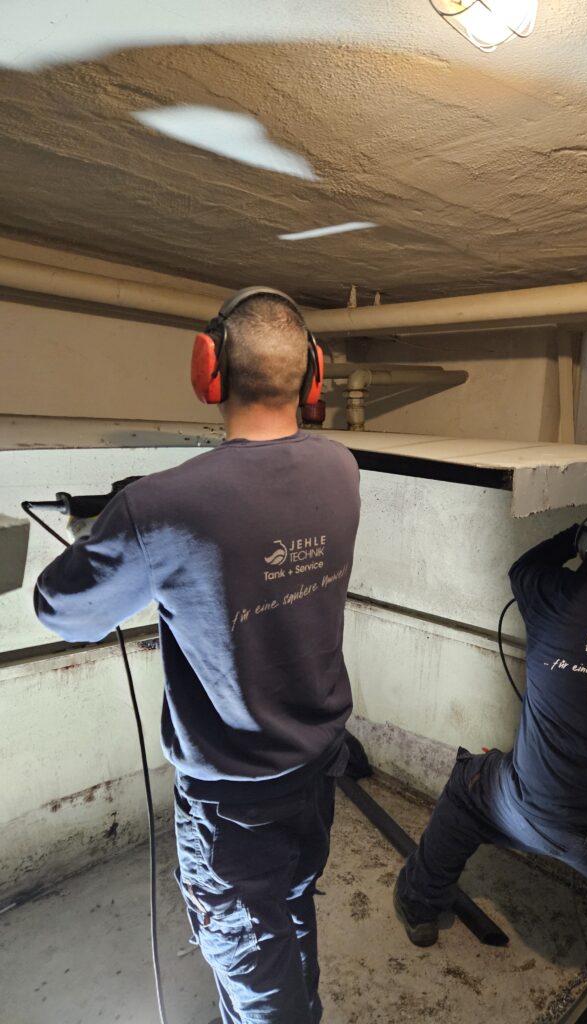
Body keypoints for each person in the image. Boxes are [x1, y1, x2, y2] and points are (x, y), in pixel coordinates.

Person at [34, 288, 361, 1024]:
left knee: (250, 962)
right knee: (288, 910)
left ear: (207, 370)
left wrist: (122, 528)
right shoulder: (343, 469)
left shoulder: (162, 507)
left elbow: (62, 612)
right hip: (316, 771)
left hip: (233, 800)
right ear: (315, 375)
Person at [394, 498, 587, 1024]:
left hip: (535, 812)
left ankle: (419, 906)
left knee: (471, 783)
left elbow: (523, 567)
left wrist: (575, 537)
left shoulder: (552, 595)